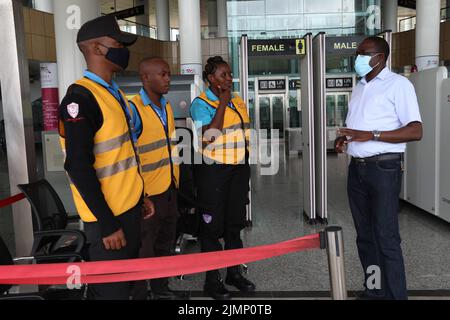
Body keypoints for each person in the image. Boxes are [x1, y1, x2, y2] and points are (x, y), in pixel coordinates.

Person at [58, 16, 149, 300]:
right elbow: (78, 166)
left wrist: (140, 194)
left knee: (133, 289)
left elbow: (124, 153)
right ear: (97, 48)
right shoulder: (80, 99)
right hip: (107, 221)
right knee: (114, 293)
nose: (123, 49)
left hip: (129, 210)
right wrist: (108, 225)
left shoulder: (114, 94)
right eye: (118, 43)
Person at [335, 36, 423, 300]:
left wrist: (371, 135)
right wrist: (346, 138)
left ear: (380, 58)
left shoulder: (399, 85)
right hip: (357, 170)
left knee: (385, 237)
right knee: (365, 237)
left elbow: (416, 130)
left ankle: (396, 296)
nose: (358, 58)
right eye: (358, 53)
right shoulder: (360, 86)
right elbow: (360, 128)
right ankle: (375, 290)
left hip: (383, 170)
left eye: (364, 54)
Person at [190, 56, 255, 300]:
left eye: (230, 74)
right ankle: (212, 280)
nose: (229, 79)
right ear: (210, 79)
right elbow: (210, 136)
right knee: (211, 228)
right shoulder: (201, 103)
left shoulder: (237, 101)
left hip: (238, 170)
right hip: (213, 172)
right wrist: (222, 103)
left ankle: (234, 273)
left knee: (234, 225)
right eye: (223, 75)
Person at [128, 57, 183, 300]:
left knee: (164, 245)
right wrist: (139, 195)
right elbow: (128, 156)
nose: (168, 79)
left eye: (168, 74)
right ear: (145, 77)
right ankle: (141, 294)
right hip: (148, 195)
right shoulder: (134, 109)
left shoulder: (167, 106)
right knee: (144, 248)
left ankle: (161, 290)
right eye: (162, 74)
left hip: (169, 189)